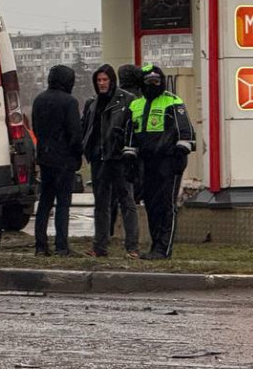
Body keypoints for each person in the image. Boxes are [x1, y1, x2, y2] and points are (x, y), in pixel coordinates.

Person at [125, 63, 195, 260]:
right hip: (146, 163)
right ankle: (155, 246)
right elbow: (130, 135)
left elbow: (185, 131)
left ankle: (163, 249)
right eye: (149, 81)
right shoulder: (136, 105)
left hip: (168, 161)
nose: (153, 84)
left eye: (157, 81)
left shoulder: (172, 101)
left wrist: (179, 153)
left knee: (166, 205)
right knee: (151, 206)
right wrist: (129, 157)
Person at [82, 64, 139, 258]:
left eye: (105, 79)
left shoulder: (127, 100)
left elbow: (132, 127)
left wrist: (127, 150)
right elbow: (86, 127)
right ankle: (99, 246)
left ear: (112, 80)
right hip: (99, 158)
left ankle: (132, 247)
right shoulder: (92, 103)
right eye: (98, 80)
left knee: (127, 201)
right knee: (101, 204)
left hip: (119, 158)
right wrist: (86, 148)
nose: (102, 83)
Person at [31, 64, 83, 256]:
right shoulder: (69, 102)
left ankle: (40, 245)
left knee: (45, 202)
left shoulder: (39, 100)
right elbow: (75, 134)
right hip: (64, 159)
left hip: (45, 158)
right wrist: (77, 155)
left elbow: (36, 128)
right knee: (63, 204)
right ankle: (61, 245)